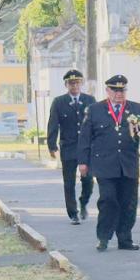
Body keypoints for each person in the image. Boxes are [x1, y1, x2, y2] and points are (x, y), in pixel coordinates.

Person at [77, 74, 140, 252]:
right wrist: (83, 162)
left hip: (128, 164)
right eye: (115, 90)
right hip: (105, 165)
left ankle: (125, 238)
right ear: (107, 91)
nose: (118, 94)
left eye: (122, 90)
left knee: (128, 202)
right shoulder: (94, 110)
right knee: (108, 200)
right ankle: (104, 237)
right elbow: (85, 138)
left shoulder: (136, 109)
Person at [45, 69, 95, 224]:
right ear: (66, 85)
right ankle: (73, 213)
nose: (74, 86)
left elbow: (96, 124)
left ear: (82, 83)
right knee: (69, 182)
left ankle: (83, 202)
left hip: (87, 148)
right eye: (71, 83)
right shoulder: (59, 102)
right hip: (68, 147)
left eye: (77, 82)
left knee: (88, 180)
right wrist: (52, 145)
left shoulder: (90, 100)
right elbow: (53, 124)